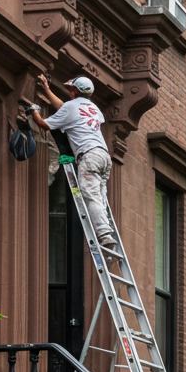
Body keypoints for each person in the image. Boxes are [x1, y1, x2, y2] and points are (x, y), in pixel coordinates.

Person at [28, 74, 118, 251]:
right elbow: (64, 108)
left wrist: (32, 112)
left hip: (89, 156)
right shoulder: (92, 107)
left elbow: (45, 125)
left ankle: (104, 234)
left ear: (74, 91)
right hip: (103, 156)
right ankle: (106, 227)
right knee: (100, 194)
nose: (70, 91)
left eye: (71, 89)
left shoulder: (71, 107)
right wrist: (46, 89)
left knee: (89, 194)